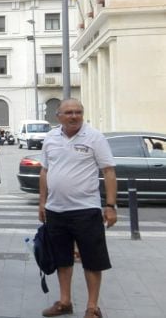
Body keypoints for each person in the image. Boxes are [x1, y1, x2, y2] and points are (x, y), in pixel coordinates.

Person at [38, 99, 117, 318]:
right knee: (62, 259)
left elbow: (109, 171)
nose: (74, 116)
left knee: (92, 260)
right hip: (56, 210)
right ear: (58, 116)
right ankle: (65, 302)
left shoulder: (95, 137)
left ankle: (92, 307)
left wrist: (110, 206)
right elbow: (45, 171)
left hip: (86, 210)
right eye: (69, 112)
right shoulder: (51, 138)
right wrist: (42, 202)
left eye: (78, 112)